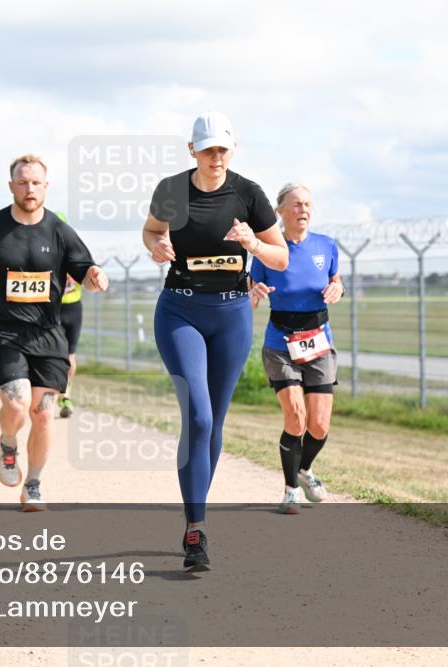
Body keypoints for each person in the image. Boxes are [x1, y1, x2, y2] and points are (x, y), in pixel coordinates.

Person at [143, 111, 288, 571]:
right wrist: (155, 246)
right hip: (180, 309)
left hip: (232, 314)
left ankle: (195, 510)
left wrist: (254, 245)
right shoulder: (172, 190)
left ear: (232, 149)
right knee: (199, 416)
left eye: (222, 148)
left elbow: (280, 257)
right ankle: (196, 528)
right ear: (192, 151)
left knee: (216, 420)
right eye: (207, 149)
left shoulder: (248, 194)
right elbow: (151, 230)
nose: (215, 156)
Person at [0, 154, 108, 511]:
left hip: (48, 332)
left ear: (46, 186)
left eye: (36, 182)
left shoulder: (59, 230)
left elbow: (85, 269)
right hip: (4, 332)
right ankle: (8, 443)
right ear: (11, 186)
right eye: (22, 182)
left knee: (44, 412)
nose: (29, 188)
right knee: (18, 402)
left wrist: (95, 277)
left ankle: (33, 484)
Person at [249, 183, 343, 514]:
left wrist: (338, 289)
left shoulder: (326, 245)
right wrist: (254, 291)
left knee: (319, 425)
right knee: (296, 416)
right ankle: (291, 490)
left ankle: (305, 470)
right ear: (281, 211)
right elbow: (252, 286)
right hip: (280, 342)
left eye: (307, 204)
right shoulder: (267, 250)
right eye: (296, 204)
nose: (303, 209)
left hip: (318, 340)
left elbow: (336, 280)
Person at [55, 212, 83, 418]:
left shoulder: (75, 251)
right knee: (51, 355)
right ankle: (49, 392)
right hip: (50, 309)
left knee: (69, 356)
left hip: (72, 308)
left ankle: (65, 394)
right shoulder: (41, 252)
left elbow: (87, 274)